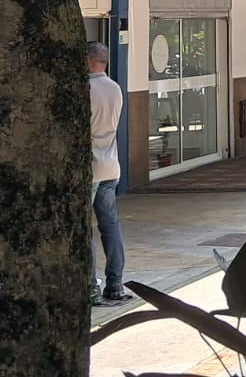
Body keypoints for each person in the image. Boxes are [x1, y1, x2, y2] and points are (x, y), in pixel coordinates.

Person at [88, 41, 132, 306]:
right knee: (110, 225)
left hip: (90, 168)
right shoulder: (115, 88)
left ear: (87, 59)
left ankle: (91, 287)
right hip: (111, 166)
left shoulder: (85, 89)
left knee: (85, 230)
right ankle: (115, 284)